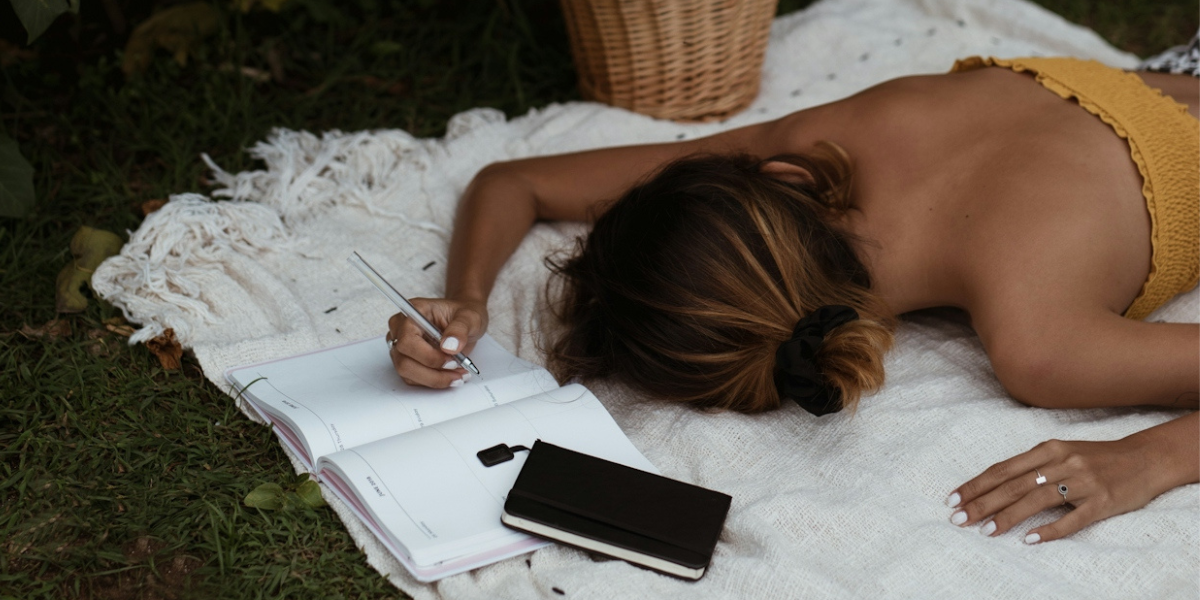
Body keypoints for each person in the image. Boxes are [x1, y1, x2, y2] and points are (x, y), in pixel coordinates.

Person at [384, 55, 1199, 545]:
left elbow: (512, 179)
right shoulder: (820, 146)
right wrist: (466, 298)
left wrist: (1147, 459)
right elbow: (516, 182)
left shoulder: (1040, 341)